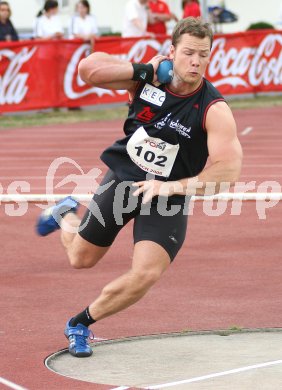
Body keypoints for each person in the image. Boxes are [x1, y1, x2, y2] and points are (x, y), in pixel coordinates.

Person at [36, 17, 242, 358]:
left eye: (203, 55)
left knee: (146, 272)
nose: (196, 61)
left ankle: (80, 324)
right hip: (124, 179)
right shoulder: (146, 79)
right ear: (172, 51)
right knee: (80, 259)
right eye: (188, 53)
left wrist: (173, 187)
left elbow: (229, 170)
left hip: (167, 195)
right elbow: (88, 71)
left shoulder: (213, 108)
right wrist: (144, 68)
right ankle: (65, 214)